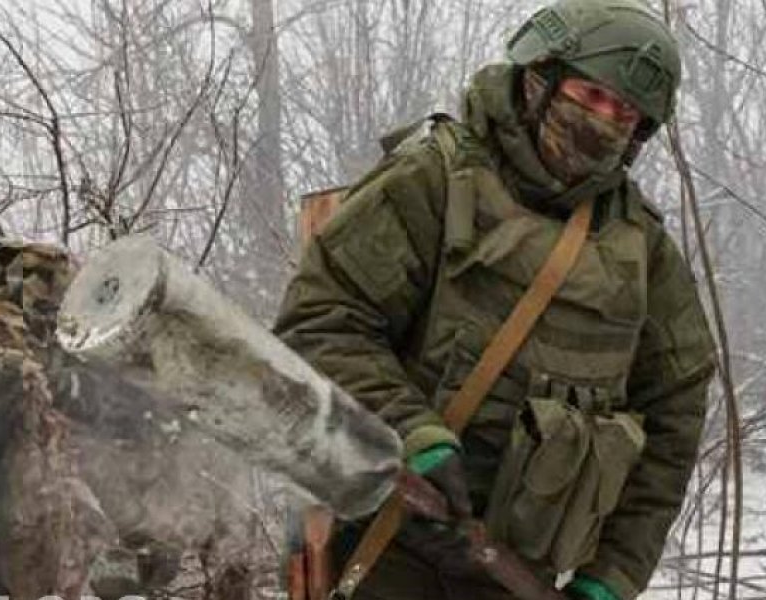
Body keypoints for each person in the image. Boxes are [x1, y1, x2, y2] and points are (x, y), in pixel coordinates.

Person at [273, 1, 717, 599]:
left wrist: (613, 575)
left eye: (627, 111)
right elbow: (322, 322)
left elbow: (674, 422)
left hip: (520, 578)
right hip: (386, 541)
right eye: (592, 94)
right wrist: (412, 435)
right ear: (541, 77)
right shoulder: (433, 180)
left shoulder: (645, 256)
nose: (606, 120)